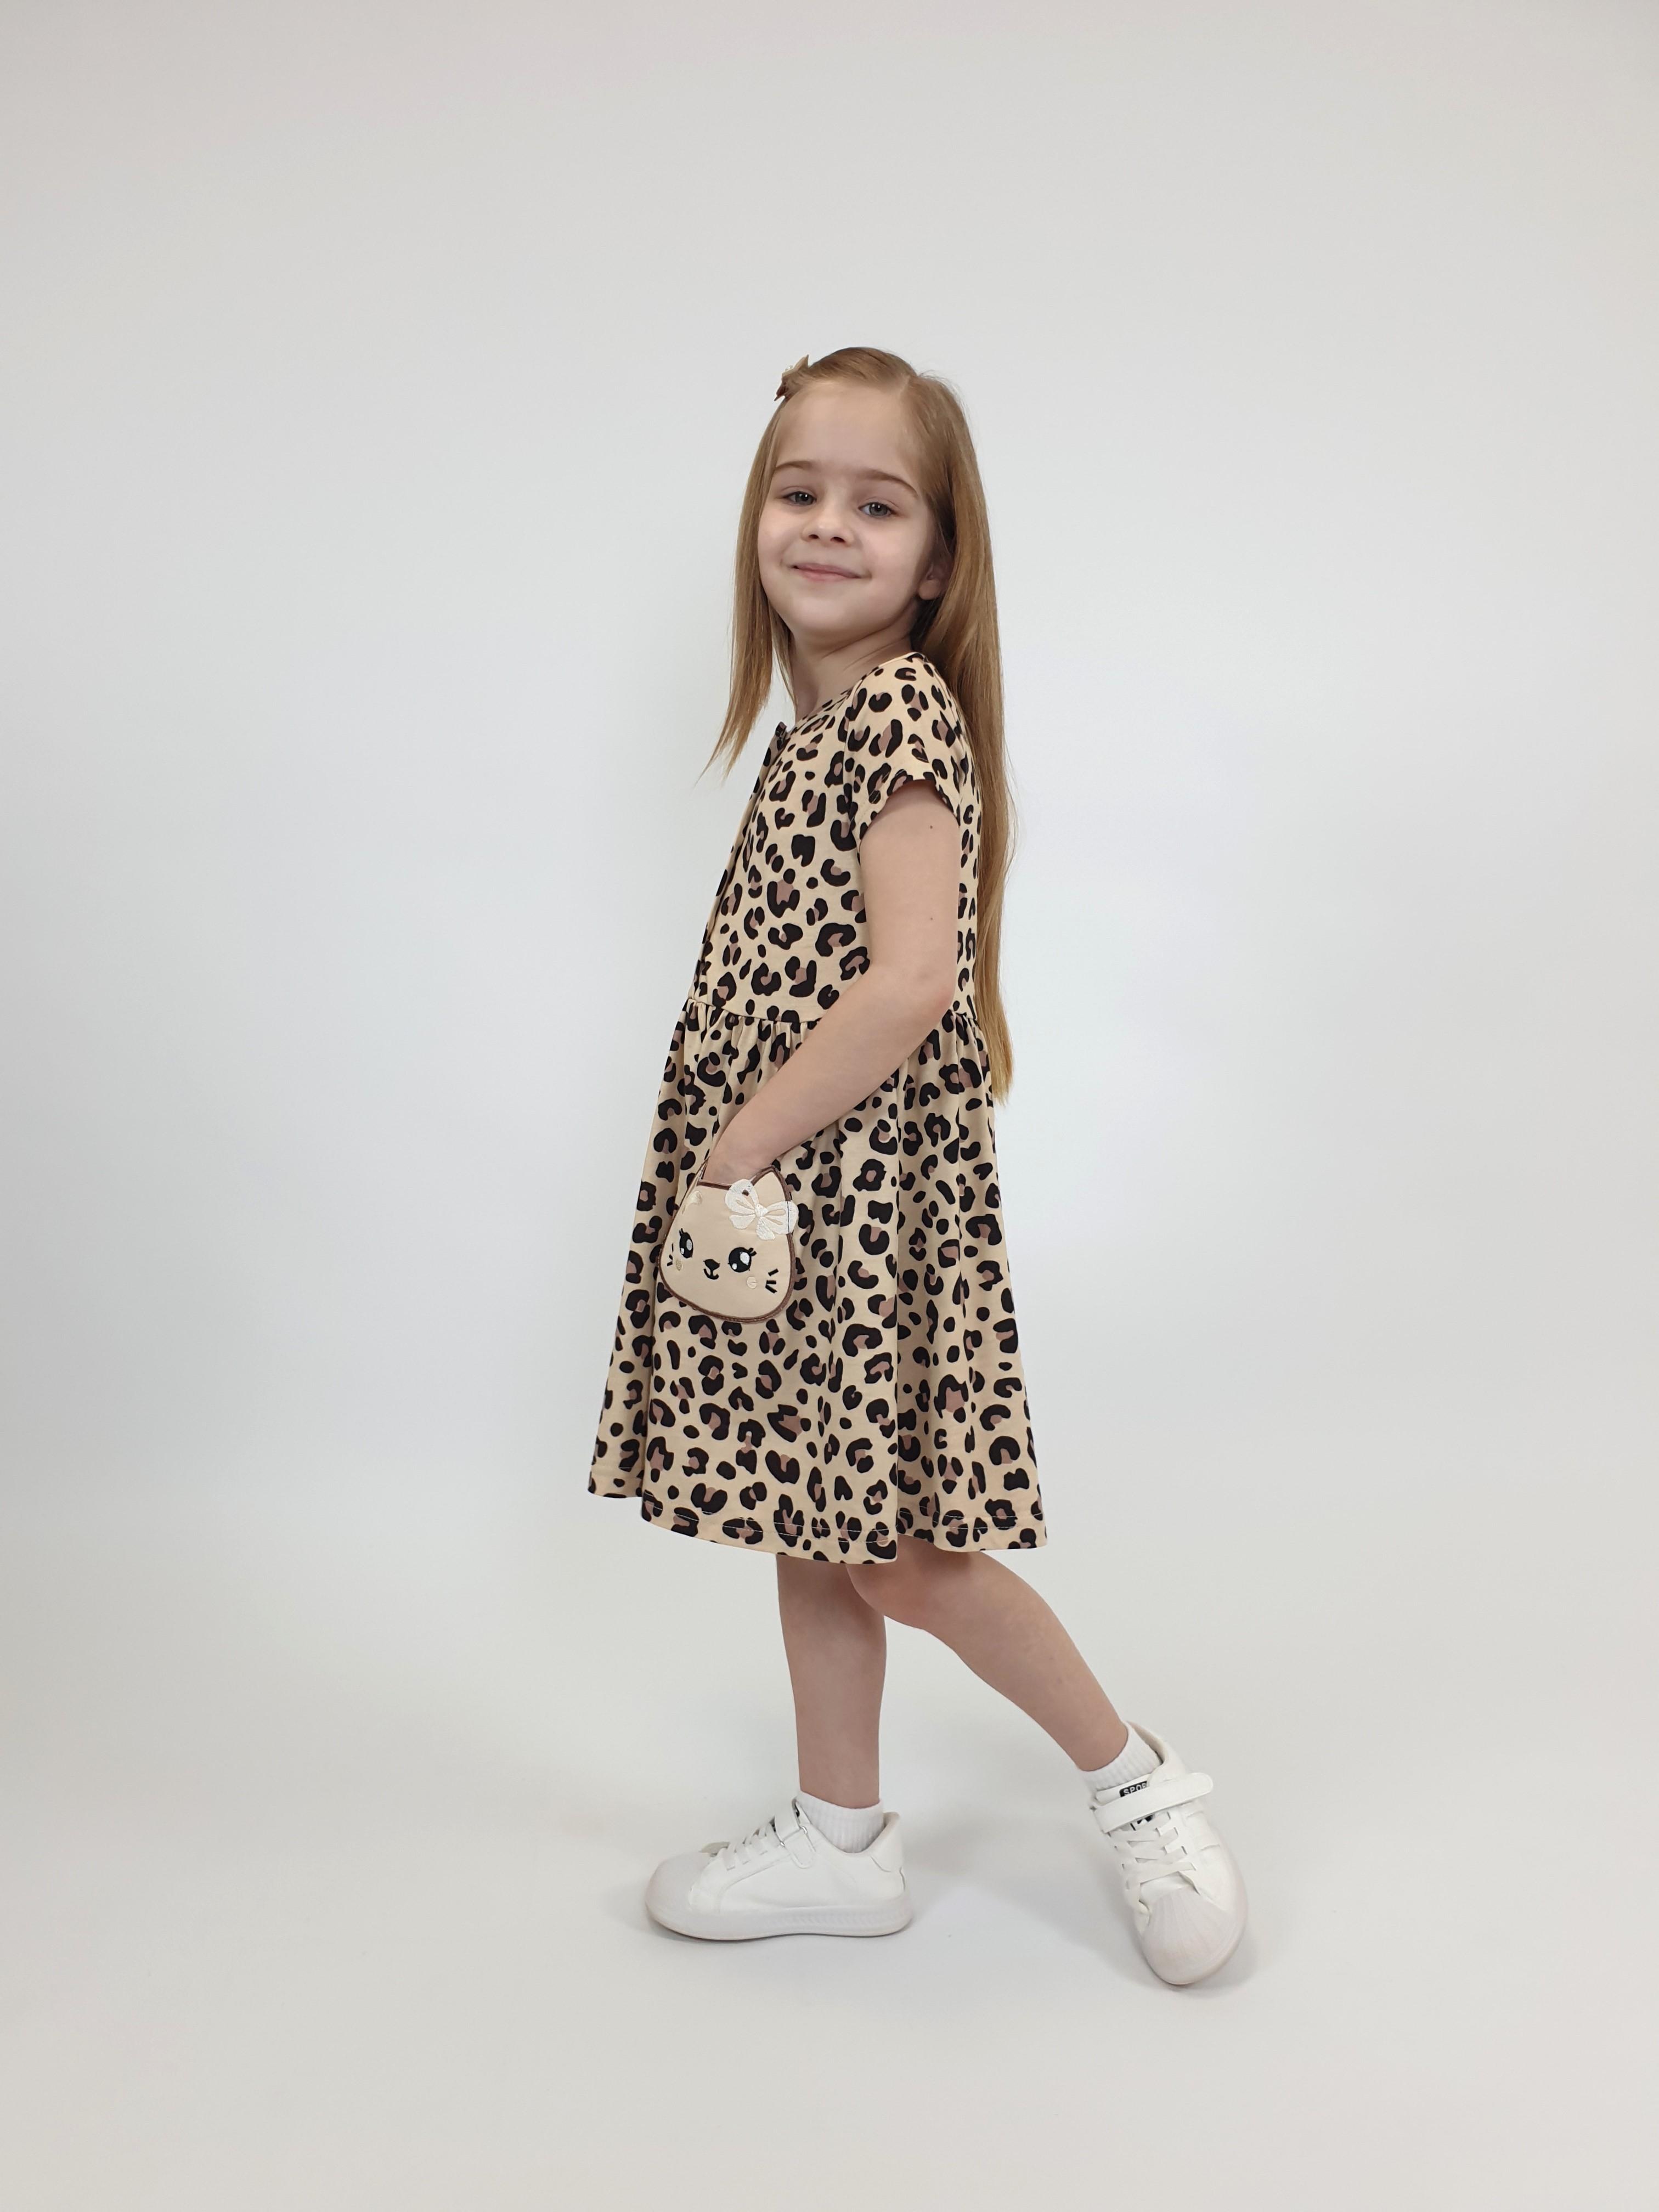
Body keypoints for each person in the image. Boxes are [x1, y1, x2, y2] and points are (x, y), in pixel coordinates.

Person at [587, 347, 1247, 1986]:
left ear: (940, 560)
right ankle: (839, 1835)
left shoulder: (899, 717)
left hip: (855, 1193)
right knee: (809, 1518)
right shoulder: (808, 730)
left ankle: (1137, 1783)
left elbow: (907, 985)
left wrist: (739, 1143)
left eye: (877, 505)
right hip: (799, 1196)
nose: (827, 525)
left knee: (903, 1550)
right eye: (798, 492)